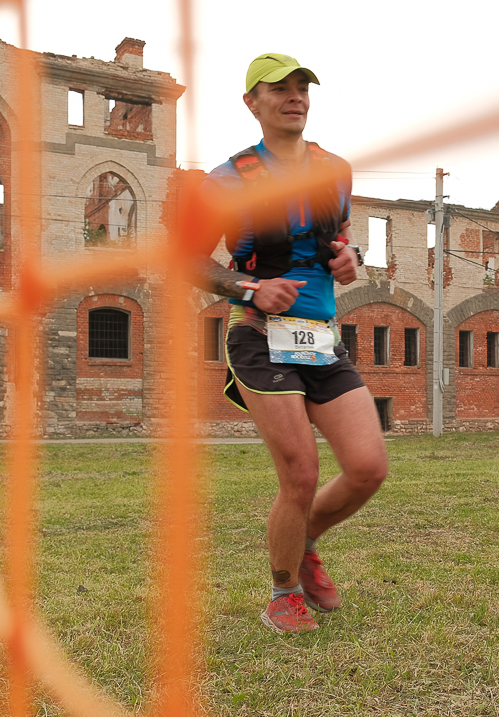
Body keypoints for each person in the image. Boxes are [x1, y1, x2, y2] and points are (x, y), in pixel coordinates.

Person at [193, 53, 388, 634]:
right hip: (257, 338)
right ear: (252, 102)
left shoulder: (335, 169)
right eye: (278, 88)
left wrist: (352, 257)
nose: (294, 95)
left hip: (319, 340)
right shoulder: (227, 180)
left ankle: (303, 545)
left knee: (367, 468)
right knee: (300, 474)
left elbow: (340, 237)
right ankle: (282, 594)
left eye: (302, 86)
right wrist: (249, 286)